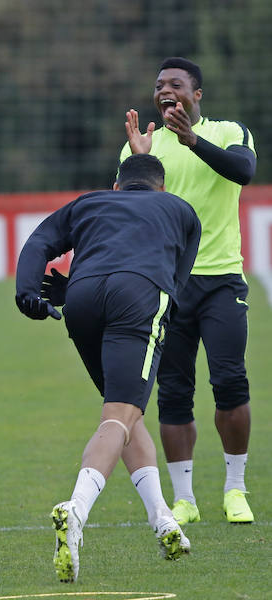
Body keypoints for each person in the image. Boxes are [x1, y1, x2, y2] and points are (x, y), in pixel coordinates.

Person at [15, 154, 200, 582]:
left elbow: (38, 243)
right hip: (137, 293)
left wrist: (29, 293)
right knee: (119, 414)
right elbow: (178, 280)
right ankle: (76, 511)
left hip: (80, 298)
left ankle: (162, 520)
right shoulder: (181, 211)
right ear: (162, 190)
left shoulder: (89, 201)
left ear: (116, 187)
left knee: (124, 414)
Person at [122, 57, 257, 525]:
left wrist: (191, 141)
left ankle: (235, 489)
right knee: (174, 393)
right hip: (167, 283)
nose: (165, 90)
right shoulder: (141, 145)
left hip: (221, 280)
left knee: (230, 381)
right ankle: (184, 499)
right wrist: (141, 159)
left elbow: (243, 171)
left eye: (176, 84)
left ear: (196, 95)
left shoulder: (226, 132)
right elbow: (124, 212)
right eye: (159, 84)